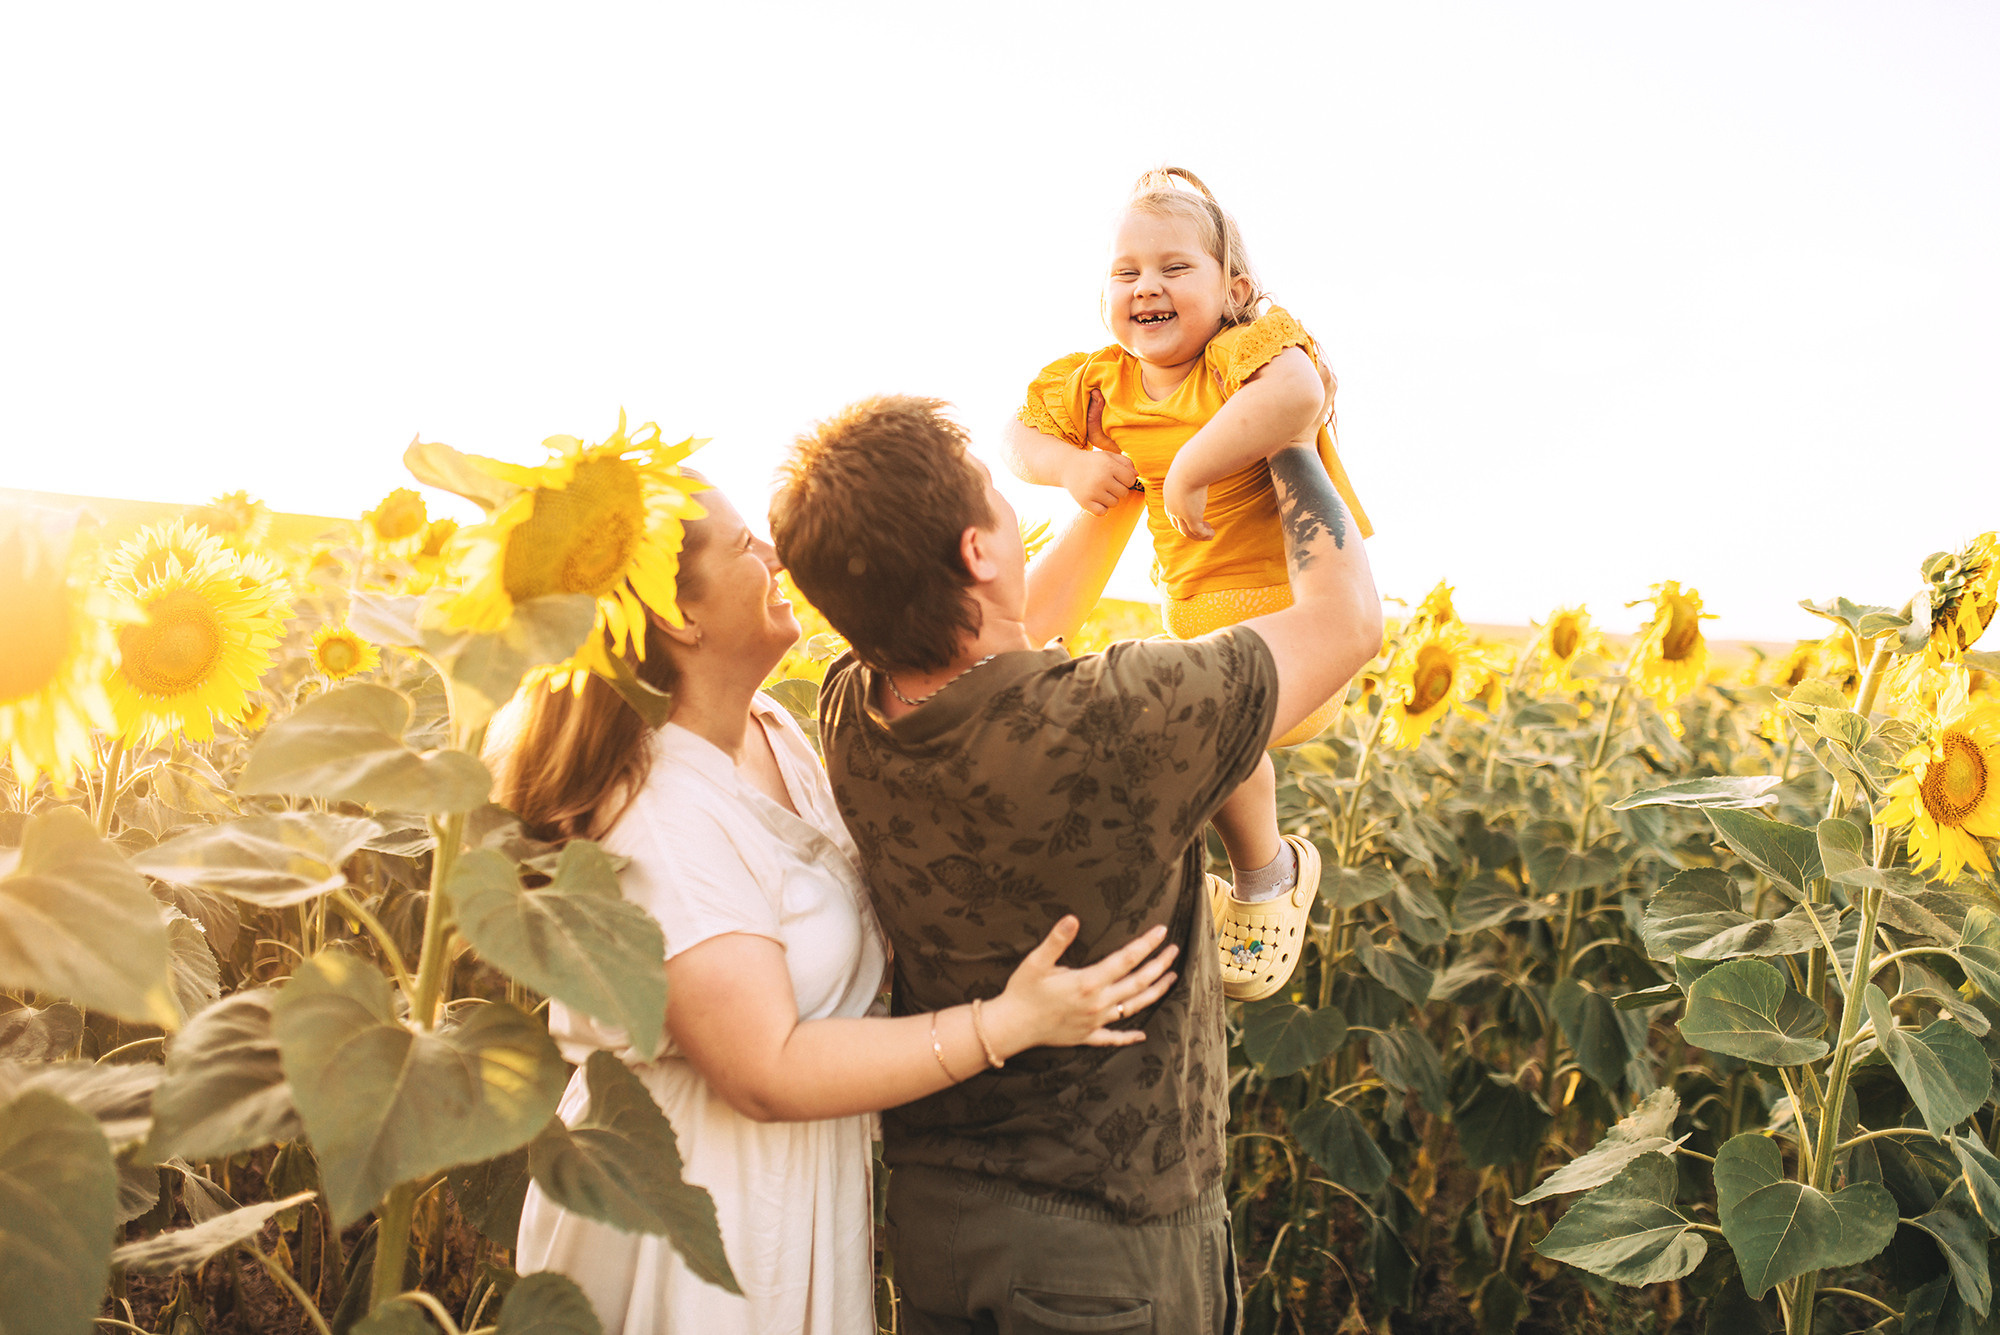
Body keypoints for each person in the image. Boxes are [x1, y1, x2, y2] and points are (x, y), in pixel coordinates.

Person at [499, 483, 1182, 1335]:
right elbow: (765, 1070)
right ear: (680, 616)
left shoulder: (771, 729)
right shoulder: (663, 812)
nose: (777, 556)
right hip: (702, 1213)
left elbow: (989, 656)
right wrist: (1007, 1022)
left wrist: (1111, 501)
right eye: (747, 546)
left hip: (792, 1187)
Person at [772, 394, 1381, 1333]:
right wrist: (1294, 442)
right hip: (1105, 1240)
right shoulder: (1118, 715)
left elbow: (1019, 622)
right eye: (998, 499)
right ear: (978, 552)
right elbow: (1345, 624)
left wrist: (1118, 484)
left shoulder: (853, 705)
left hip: (938, 1215)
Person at [1003, 166, 1377, 1002]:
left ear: (1233, 288)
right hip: (1198, 613)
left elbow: (1298, 393)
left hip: (1292, 617)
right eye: (1127, 271)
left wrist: (1193, 466)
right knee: (1170, 704)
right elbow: (1018, 435)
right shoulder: (1103, 382)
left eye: (1176, 268)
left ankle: (1268, 875)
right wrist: (1073, 466)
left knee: (1213, 705)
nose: (1148, 286)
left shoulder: (1239, 359)